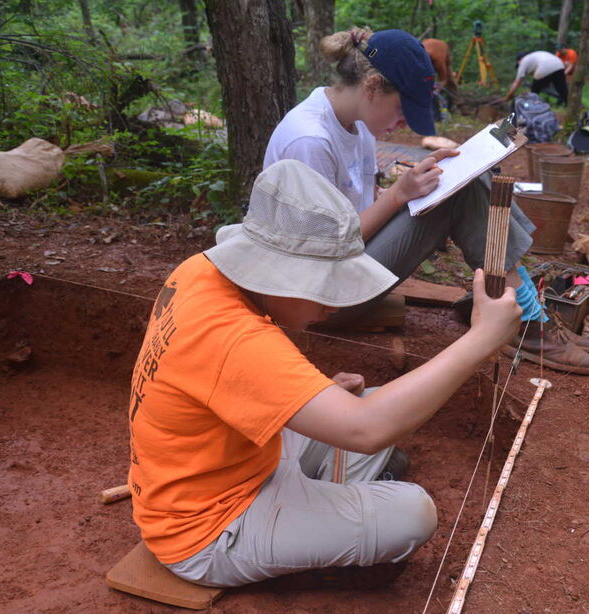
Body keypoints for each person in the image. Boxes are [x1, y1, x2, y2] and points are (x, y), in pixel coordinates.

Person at [127, 159, 522, 588]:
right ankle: (316, 527)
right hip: (208, 529)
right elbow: (368, 430)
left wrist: (316, 396)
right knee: (411, 511)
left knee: (364, 404)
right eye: (322, 287)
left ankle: (320, 506)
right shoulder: (236, 338)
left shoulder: (199, 272)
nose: (331, 305)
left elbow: (217, 382)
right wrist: (480, 340)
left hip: (231, 464)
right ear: (274, 275)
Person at [263, 27, 589, 375]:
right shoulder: (310, 140)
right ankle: (528, 321)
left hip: (344, 268)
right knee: (463, 193)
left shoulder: (353, 123)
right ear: (373, 86)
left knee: (465, 177)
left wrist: (420, 185)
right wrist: (398, 195)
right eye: (401, 109)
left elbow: (350, 206)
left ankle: (526, 309)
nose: (403, 121)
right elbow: (318, 250)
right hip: (318, 299)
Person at [498, 50, 568, 105]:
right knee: (562, 89)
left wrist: (509, 96)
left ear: (519, 60)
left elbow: (517, 82)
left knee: (534, 92)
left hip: (545, 67)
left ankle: (532, 106)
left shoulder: (523, 61)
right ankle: (568, 103)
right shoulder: (534, 56)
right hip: (559, 65)